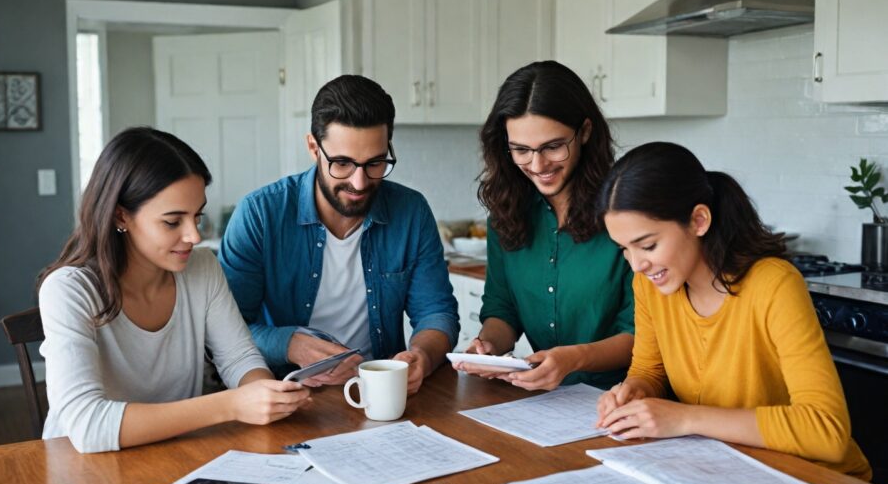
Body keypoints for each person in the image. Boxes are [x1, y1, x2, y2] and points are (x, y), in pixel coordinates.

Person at [595, 141, 871, 480]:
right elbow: (649, 371)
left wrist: (683, 418)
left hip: (816, 482)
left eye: (648, 245)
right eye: (624, 249)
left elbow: (826, 431)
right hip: (727, 469)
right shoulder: (650, 286)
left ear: (698, 220)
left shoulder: (773, 284)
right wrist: (635, 394)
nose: (636, 264)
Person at [38, 128, 310, 454]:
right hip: (80, 469)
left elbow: (238, 358)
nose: (194, 236)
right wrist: (232, 405)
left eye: (197, 216)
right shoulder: (68, 291)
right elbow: (88, 426)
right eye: (172, 221)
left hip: (175, 452)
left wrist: (264, 395)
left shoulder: (202, 267)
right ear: (120, 215)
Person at [219, 75, 459, 394]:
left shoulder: (411, 211)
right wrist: (289, 344)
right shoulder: (260, 214)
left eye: (375, 163)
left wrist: (423, 356)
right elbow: (225, 332)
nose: (359, 183)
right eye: (342, 163)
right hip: (285, 394)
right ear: (313, 148)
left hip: (379, 393)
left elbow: (436, 311)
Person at [453, 60, 635, 391]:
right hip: (546, 402)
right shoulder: (507, 211)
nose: (537, 165)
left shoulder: (625, 210)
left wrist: (573, 359)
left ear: (585, 132)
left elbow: (642, 334)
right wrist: (489, 347)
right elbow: (502, 307)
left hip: (623, 400)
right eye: (521, 150)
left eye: (553, 146)